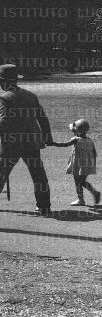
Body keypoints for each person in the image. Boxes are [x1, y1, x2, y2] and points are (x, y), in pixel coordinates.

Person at [0, 64, 54, 214]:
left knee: (1, 172)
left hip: (12, 144)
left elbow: (4, 122)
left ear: (4, 82)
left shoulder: (4, 98)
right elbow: (42, 118)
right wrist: (48, 138)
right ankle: (44, 205)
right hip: (32, 141)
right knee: (38, 174)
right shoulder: (31, 95)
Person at [51, 119, 101, 206]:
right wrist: (92, 165)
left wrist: (53, 143)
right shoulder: (90, 140)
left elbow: (64, 144)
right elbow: (94, 153)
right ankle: (94, 193)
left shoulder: (76, 139)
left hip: (78, 165)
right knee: (82, 181)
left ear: (77, 131)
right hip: (87, 165)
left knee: (78, 182)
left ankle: (81, 200)